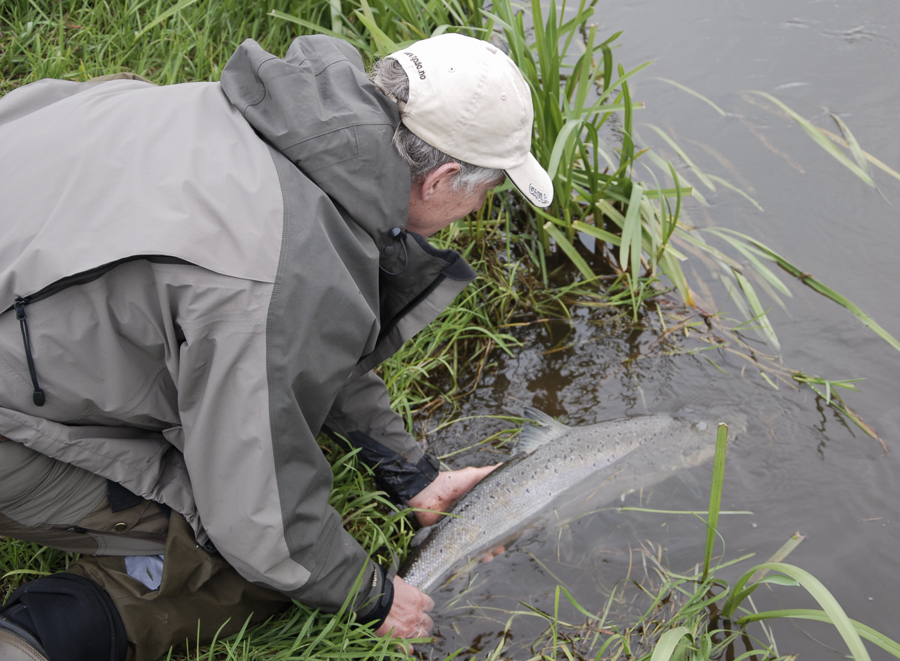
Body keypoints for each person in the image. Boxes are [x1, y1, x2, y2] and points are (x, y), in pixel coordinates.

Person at [0, 31, 553, 661]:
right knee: (242, 570)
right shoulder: (284, 266)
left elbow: (301, 338)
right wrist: (369, 596)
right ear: (443, 178)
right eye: (488, 189)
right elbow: (261, 527)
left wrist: (408, 469)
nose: (480, 208)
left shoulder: (246, 115)